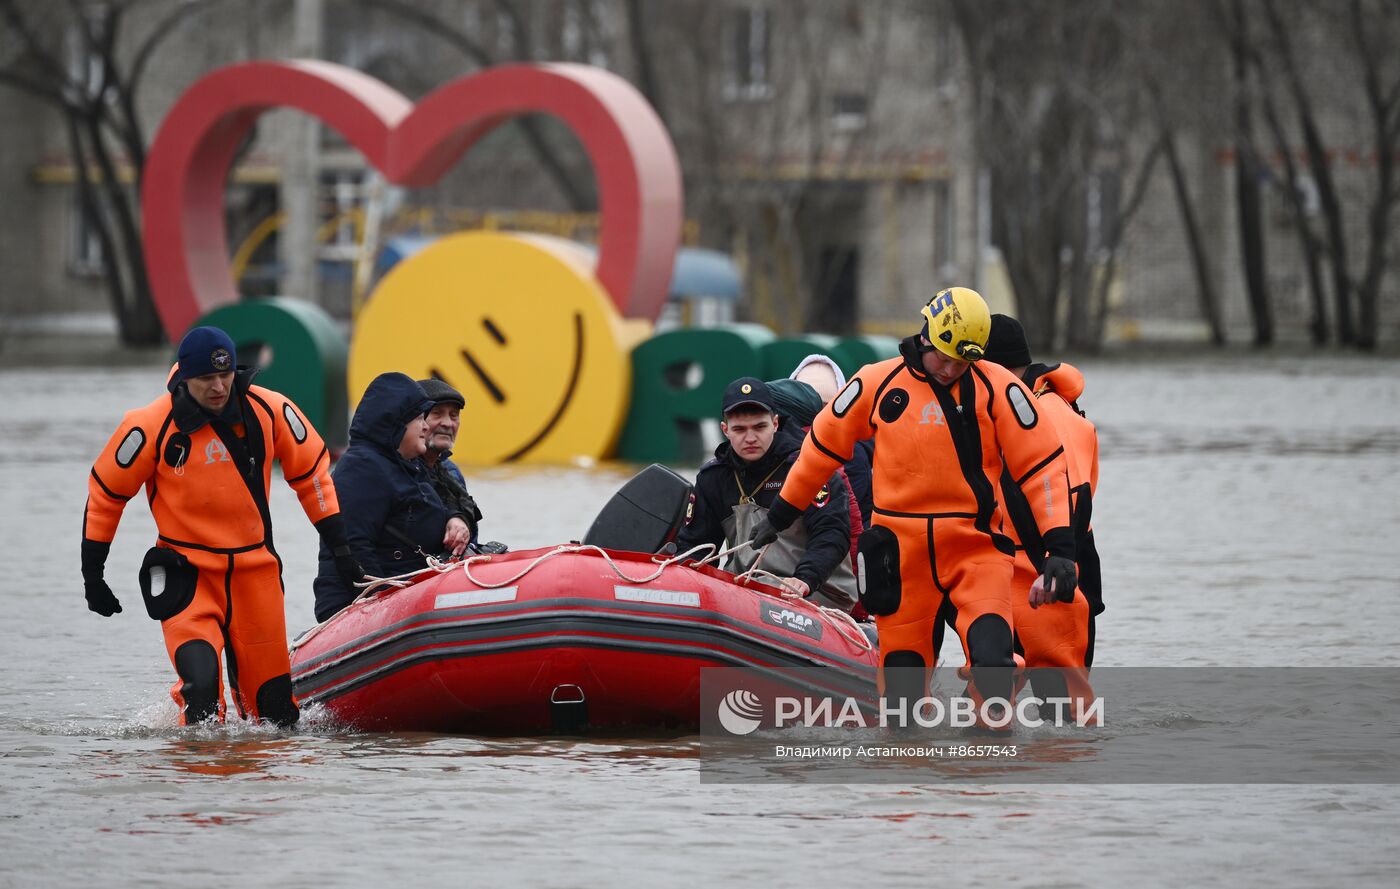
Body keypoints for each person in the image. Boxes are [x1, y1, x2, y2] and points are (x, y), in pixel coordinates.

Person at [749, 287, 1078, 712]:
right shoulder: (876, 381)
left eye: (963, 362)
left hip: (974, 550)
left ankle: (989, 768)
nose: (950, 369)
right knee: (902, 697)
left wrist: (1061, 548)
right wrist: (780, 514)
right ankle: (909, 772)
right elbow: (820, 450)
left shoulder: (998, 388)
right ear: (925, 337)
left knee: (994, 665)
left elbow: (1043, 467)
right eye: (944, 357)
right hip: (900, 555)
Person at [81, 326, 361, 726]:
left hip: (256, 575)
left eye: (225, 375)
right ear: (184, 377)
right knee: (202, 697)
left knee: (276, 715)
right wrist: (93, 574)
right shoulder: (149, 425)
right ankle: (196, 778)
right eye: (206, 379)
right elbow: (107, 493)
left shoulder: (270, 409)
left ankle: (256, 783)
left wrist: (343, 551)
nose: (218, 387)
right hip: (188, 575)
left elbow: (312, 474)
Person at [982, 315, 1102, 712]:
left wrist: (1051, 566)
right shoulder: (1059, 409)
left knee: (1061, 718)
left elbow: (1066, 502)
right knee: (1008, 710)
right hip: (1046, 568)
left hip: (1046, 574)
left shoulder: (1044, 417)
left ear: (991, 368)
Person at [674, 377, 859, 611]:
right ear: (725, 430)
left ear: (775, 423)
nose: (750, 438)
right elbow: (695, 545)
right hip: (747, 589)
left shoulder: (808, 468)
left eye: (759, 427)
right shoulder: (714, 477)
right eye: (740, 429)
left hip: (816, 590)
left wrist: (804, 580)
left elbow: (831, 533)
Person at [313, 373, 472, 623]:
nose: (426, 426)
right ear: (397, 422)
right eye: (422, 418)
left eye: (454, 415)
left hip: (414, 597)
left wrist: (457, 517)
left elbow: (448, 506)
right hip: (364, 610)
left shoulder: (415, 469)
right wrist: (386, 603)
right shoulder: (362, 468)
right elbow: (355, 546)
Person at [785, 354, 873, 529]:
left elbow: (849, 519)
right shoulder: (779, 443)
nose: (816, 416)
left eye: (824, 406)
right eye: (807, 407)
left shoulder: (852, 453)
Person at [415, 378, 484, 544]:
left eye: (454, 416)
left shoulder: (451, 472)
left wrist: (462, 523)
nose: (447, 423)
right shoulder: (397, 470)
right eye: (437, 413)